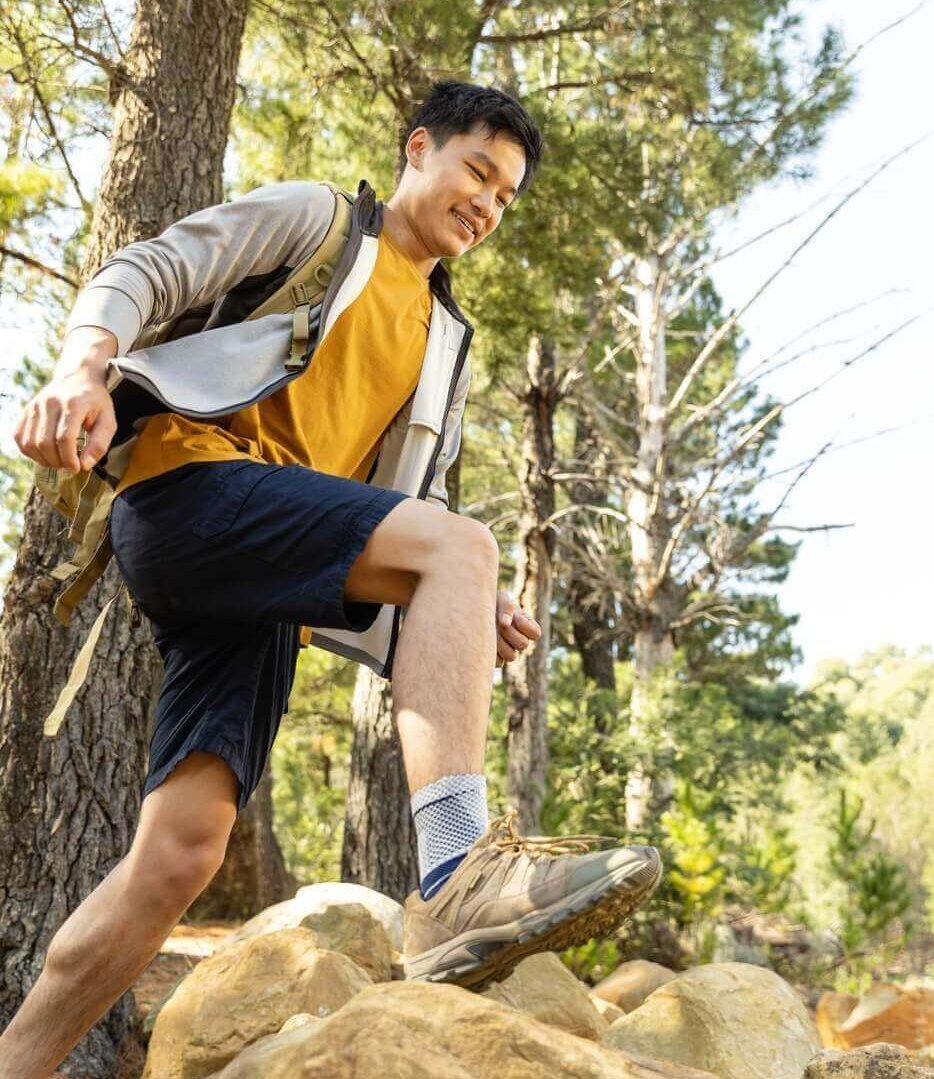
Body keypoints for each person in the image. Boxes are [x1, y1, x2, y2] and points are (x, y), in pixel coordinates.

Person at [0, 81, 661, 1077]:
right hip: (189, 484)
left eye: (505, 197)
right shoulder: (322, 222)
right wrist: (83, 366)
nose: (485, 204)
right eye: (476, 172)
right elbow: (151, 267)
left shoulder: (445, 341)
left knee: (180, 856)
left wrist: (468, 597)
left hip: (261, 582)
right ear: (417, 149)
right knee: (458, 543)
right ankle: (454, 870)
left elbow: (409, 499)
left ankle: (20, 1055)